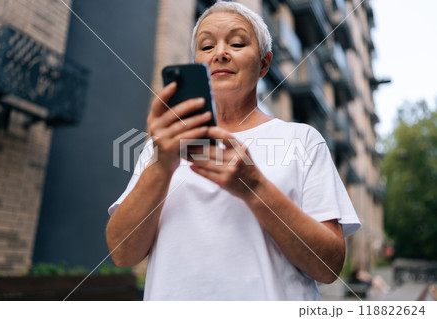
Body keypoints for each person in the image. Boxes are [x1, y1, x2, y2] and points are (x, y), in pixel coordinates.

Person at [106, 1, 360, 300]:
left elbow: (328, 267)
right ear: (196, 62)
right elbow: (122, 254)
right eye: (206, 46)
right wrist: (163, 164)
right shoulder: (161, 145)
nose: (220, 53)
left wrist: (254, 186)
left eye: (237, 42)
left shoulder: (303, 140)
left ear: (264, 64)